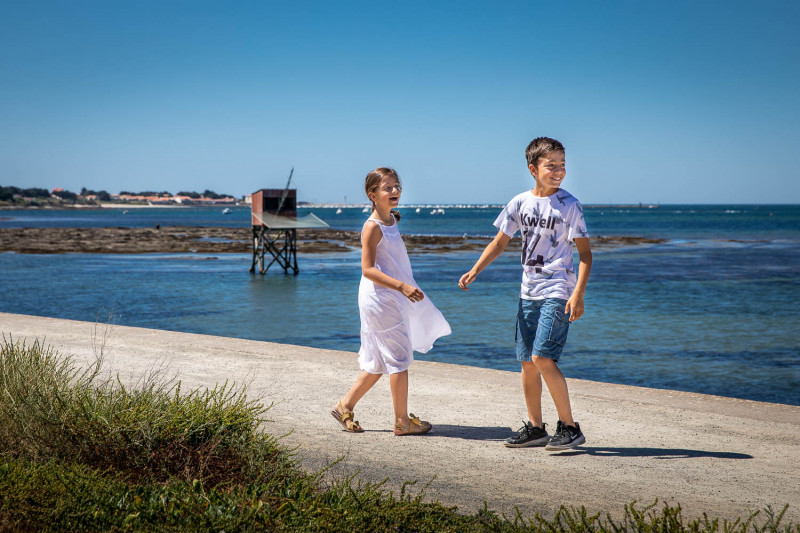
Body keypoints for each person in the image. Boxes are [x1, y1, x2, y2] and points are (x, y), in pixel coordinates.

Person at [458, 137, 592, 451]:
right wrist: (475, 270)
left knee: (542, 357)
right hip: (527, 292)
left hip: (558, 289)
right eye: (551, 165)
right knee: (527, 364)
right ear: (533, 169)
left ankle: (570, 428)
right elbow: (499, 242)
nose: (559, 171)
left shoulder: (569, 205)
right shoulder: (519, 202)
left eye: (562, 165)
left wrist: (578, 295)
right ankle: (536, 428)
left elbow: (586, 255)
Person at [332, 167, 451, 436]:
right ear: (372, 195)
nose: (395, 191)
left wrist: (393, 217)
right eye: (387, 188)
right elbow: (367, 269)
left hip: (389, 297)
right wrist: (402, 286)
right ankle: (401, 422)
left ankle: (344, 406)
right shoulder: (372, 228)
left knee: (377, 361)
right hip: (380, 298)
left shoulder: (390, 221)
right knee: (398, 359)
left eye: (396, 186)